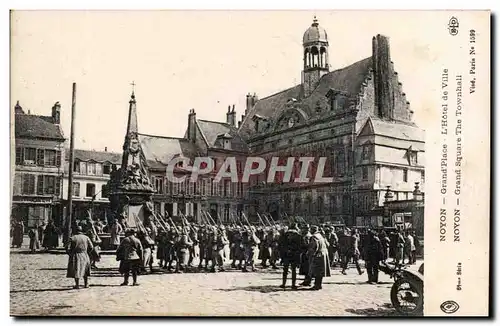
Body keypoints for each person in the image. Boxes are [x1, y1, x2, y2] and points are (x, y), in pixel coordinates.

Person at [307, 225, 331, 290]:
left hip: (318, 255)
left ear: (312, 230)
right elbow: (327, 244)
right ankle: (319, 284)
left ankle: (317, 285)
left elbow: (314, 246)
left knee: (317, 270)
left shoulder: (314, 237)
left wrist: (310, 254)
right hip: (323, 253)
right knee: (320, 271)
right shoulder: (320, 235)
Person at [279, 223, 302, 289]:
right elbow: (300, 246)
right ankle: (293, 284)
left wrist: (283, 254)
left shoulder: (284, 235)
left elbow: (281, 245)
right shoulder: (298, 235)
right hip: (294, 254)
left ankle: (283, 284)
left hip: (286, 254)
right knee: (294, 270)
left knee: (285, 270)